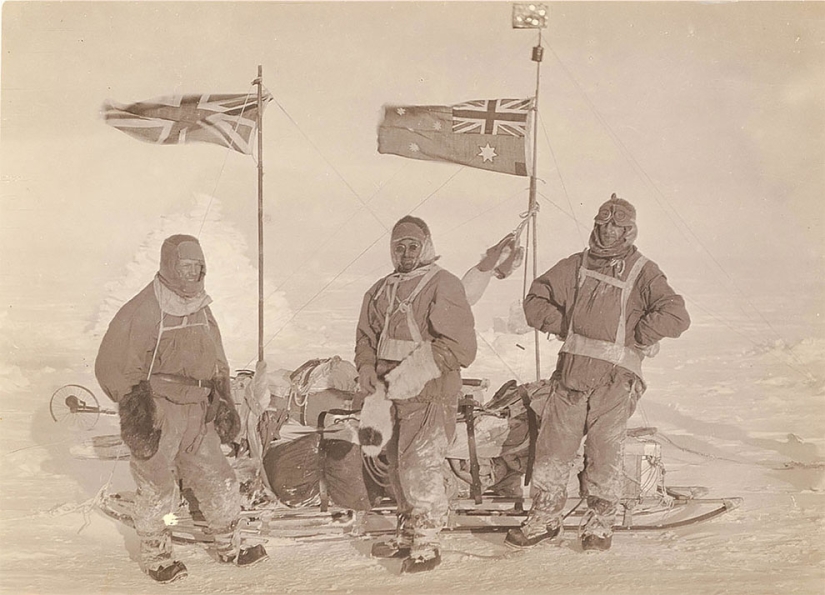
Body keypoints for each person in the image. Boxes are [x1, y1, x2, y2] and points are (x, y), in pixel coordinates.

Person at [504, 194, 691, 552]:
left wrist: (640, 335)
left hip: (615, 382)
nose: (608, 232)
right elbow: (534, 301)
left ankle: (599, 523)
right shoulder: (575, 265)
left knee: (604, 453)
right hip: (571, 377)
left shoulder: (643, 271)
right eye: (602, 224)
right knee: (552, 451)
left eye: (617, 226)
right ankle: (544, 519)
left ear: (629, 231)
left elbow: (676, 315)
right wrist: (567, 326)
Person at [95, 234, 268, 583]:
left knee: (218, 478)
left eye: (197, 267)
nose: (191, 274)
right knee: (157, 486)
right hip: (161, 411)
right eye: (184, 266)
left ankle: (229, 544)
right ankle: (158, 557)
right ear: (168, 266)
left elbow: (217, 356)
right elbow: (113, 365)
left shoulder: (201, 307)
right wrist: (139, 413)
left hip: (198, 411)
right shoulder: (144, 309)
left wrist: (222, 398)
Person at [355, 216, 477, 573]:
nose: (406, 254)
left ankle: (427, 541)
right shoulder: (380, 289)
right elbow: (366, 336)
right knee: (395, 465)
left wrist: (414, 373)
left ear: (426, 246)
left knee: (419, 464)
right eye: (399, 247)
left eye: (412, 246)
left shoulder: (444, 285)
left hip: (430, 392)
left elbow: (459, 347)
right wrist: (365, 368)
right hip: (387, 393)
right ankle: (408, 531)